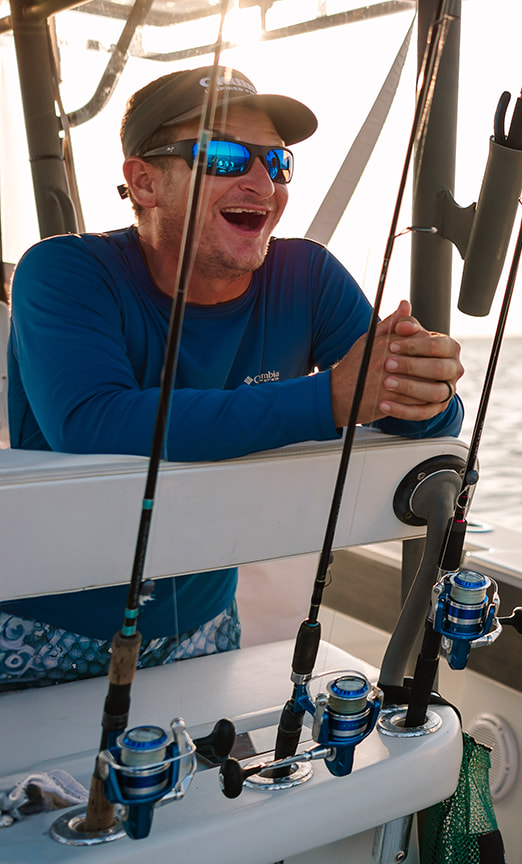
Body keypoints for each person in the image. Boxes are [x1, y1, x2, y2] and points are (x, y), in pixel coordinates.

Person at [1, 66, 466, 690]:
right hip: (44, 628)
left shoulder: (308, 275)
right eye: (220, 155)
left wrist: (426, 387)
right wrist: (329, 396)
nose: (260, 182)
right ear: (144, 181)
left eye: (276, 162)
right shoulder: (63, 272)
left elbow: (406, 411)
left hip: (207, 624)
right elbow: (93, 422)